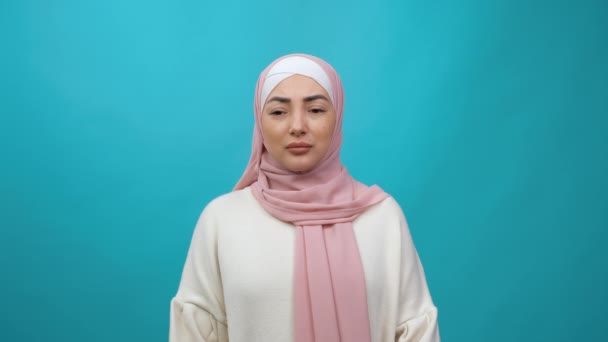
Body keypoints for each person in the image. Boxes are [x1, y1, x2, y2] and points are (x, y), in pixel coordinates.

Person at [169, 54, 440, 342]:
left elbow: (417, 330)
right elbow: (194, 332)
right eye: (278, 112)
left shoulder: (382, 217)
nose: (297, 125)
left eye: (315, 109)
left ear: (337, 118)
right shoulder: (222, 220)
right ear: (259, 124)